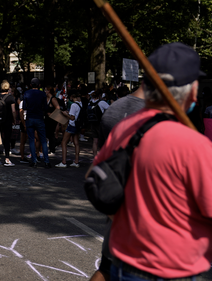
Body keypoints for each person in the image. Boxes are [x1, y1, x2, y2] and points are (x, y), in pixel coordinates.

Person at [92, 42, 212, 281]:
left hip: (123, 262)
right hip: (168, 271)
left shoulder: (123, 128)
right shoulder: (195, 145)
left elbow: (95, 181)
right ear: (192, 91)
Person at [89, 86, 145, 281]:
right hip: (142, 215)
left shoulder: (114, 108)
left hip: (121, 204)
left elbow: (97, 171)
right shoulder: (156, 117)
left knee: (107, 266)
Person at [22, 78, 51, 168]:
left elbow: (24, 107)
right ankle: (46, 161)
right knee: (43, 140)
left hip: (30, 117)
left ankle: (33, 160)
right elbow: (45, 107)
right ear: (39, 85)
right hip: (39, 117)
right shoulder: (42, 94)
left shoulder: (27, 93)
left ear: (31, 85)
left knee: (31, 140)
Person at [0, 80, 17, 167]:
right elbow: (13, 111)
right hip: (7, 120)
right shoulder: (10, 98)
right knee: (7, 139)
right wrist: (14, 119)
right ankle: (7, 158)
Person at [56, 92, 82, 168]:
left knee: (63, 142)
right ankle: (76, 161)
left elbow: (72, 118)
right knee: (76, 143)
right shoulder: (80, 104)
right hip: (77, 125)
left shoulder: (74, 105)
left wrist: (65, 114)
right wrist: (69, 113)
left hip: (72, 125)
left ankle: (64, 162)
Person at [88, 89, 109, 157]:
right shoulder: (101, 102)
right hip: (100, 123)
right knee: (102, 141)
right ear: (100, 95)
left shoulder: (90, 102)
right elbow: (109, 109)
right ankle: (102, 156)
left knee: (95, 141)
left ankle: (95, 156)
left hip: (92, 123)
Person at [44, 86, 60, 154]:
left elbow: (58, 108)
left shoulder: (53, 99)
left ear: (49, 91)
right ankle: (54, 144)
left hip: (52, 119)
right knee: (47, 133)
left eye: (46, 90)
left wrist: (52, 114)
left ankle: (52, 149)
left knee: (50, 133)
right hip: (46, 119)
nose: (45, 92)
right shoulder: (45, 99)